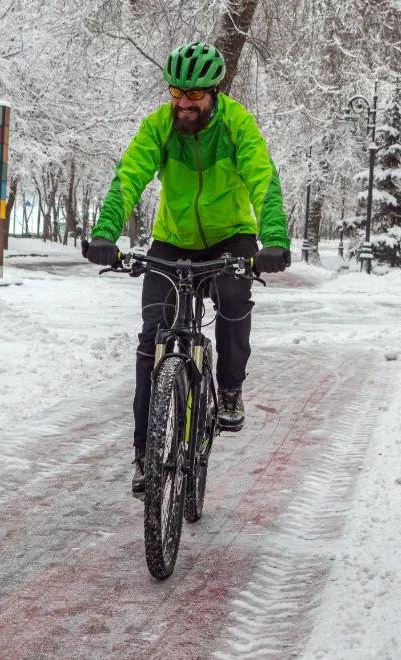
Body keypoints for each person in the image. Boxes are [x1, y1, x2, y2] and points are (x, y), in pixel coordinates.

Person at [85, 41, 291, 497]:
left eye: (194, 95)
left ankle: (230, 389)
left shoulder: (237, 125)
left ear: (213, 93)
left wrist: (273, 239)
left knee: (234, 299)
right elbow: (129, 175)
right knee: (151, 339)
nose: (184, 103)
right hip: (173, 240)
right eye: (177, 92)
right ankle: (145, 457)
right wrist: (106, 233)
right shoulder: (160, 126)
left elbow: (263, 178)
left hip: (230, 236)